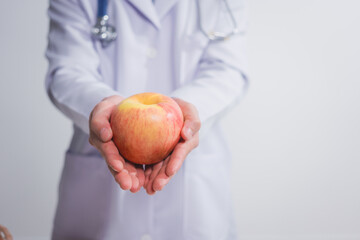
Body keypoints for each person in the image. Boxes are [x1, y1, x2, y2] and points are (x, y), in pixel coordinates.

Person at [45, 0, 248, 239]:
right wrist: (101, 106)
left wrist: (186, 112)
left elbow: (227, 70)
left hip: (195, 193)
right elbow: (67, 70)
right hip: (99, 191)